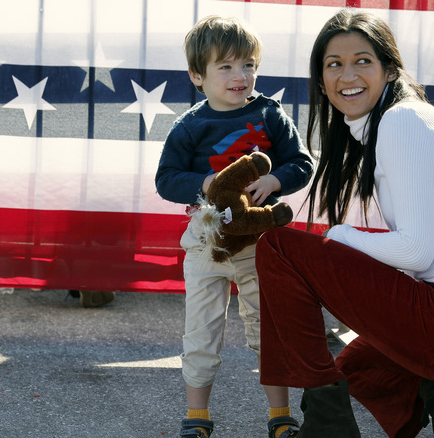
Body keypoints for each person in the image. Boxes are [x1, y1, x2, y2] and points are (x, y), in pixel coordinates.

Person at [255, 9, 434, 438]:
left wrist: (339, 236)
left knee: (277, 248)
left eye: (363, 60)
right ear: (322, 81)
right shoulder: (396, 125)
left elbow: (416, 251)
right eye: (334, 64)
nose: (348, 75)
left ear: (389, 68)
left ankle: (328, 430)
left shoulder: (403, 120)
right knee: (355, 368)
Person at [155, 15, 314, 438]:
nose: (239, 76)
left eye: (248, 64)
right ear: (197, 76)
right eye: (224, 66)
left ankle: (280, 416)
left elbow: (302, 163)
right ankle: (197, 417)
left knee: (267, 327)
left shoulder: (270, 115)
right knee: (202, 332)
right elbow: (166, 179)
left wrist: (276, 179)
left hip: (260, 242)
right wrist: (204, 183)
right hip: (207, 241)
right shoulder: (189, 126)